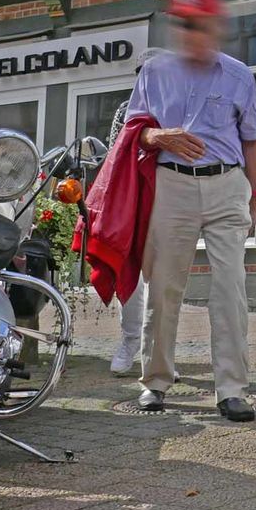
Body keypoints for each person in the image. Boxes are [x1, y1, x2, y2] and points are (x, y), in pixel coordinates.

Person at [126, 0, 256, 421]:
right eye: (183, 24)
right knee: (164, 286)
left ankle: (231, 388)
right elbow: (133, 131)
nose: (190, 33)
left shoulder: (239, 75)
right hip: (172, 185)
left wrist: (255, 194)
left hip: (226, 185)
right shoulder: (154, 72)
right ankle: (156, 381)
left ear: (215, 28)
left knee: (230, 287)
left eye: (198, 24)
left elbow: (253, 140)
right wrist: (158, 136)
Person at [106, 47, 166, 377]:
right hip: (132, 199)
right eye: (144, 74)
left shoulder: (178, 109)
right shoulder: (124, 110)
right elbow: (116, 157)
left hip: (167, 200)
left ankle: (158, 351)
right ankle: (130, 341)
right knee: (129, 276)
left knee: (162, 277)